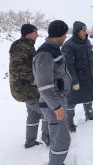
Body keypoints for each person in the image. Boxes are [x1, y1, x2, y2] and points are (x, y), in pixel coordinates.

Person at [33, 20, 71, 165]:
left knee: (58, 137)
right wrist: (56, 107)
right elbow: (44, 85)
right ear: (58, 35)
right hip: (52, 104)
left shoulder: (54, 48)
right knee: (62, 140)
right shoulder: (45, 53)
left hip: (57, 100)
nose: (66, 37)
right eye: (64, 34)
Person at [9, 24, 49, 148]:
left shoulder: (26, 46)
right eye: (35, 32)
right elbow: (16, 68)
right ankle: (47, 137)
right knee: (47, 111)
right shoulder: (22, 47)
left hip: (24, 89)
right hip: (26, 89)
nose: (37, 35)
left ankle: (30, 142)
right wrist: (36, 79)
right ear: (29, 33)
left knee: (33, 114)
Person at [62, 21, 93, 133]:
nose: (85, 32)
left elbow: (91, 58)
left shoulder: (87, 42)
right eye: (83, 30)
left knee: (88, 97)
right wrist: (74, 81)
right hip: (76, 79)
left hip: (87, 76)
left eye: (85, 30)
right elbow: (69, 66)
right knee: (71, 102)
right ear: (77, 32)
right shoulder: (68, 45)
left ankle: (90, 116)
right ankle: (69, 123)